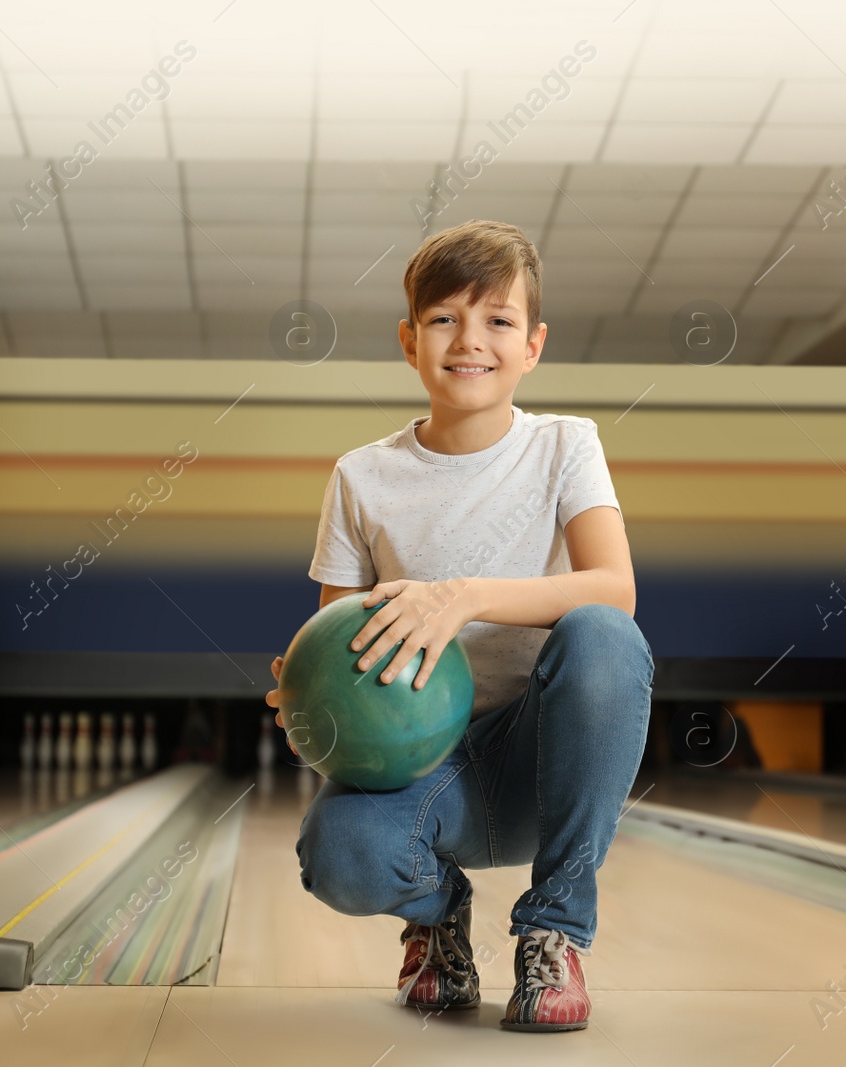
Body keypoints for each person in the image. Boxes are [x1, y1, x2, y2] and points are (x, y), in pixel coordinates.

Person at [264, 219, 653, 1032]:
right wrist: (308, 704)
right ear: (410, 340)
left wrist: (464, 595)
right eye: (444, 318)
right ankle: (438, 913)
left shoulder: (565, 445)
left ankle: (553, 928)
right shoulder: (360, 476)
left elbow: (615, 588)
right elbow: (336, 638)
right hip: (423, 775)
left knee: (605, 638)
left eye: (498, 321)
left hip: (542, 762)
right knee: (336, 852)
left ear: (533, 344)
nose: (470, 340)